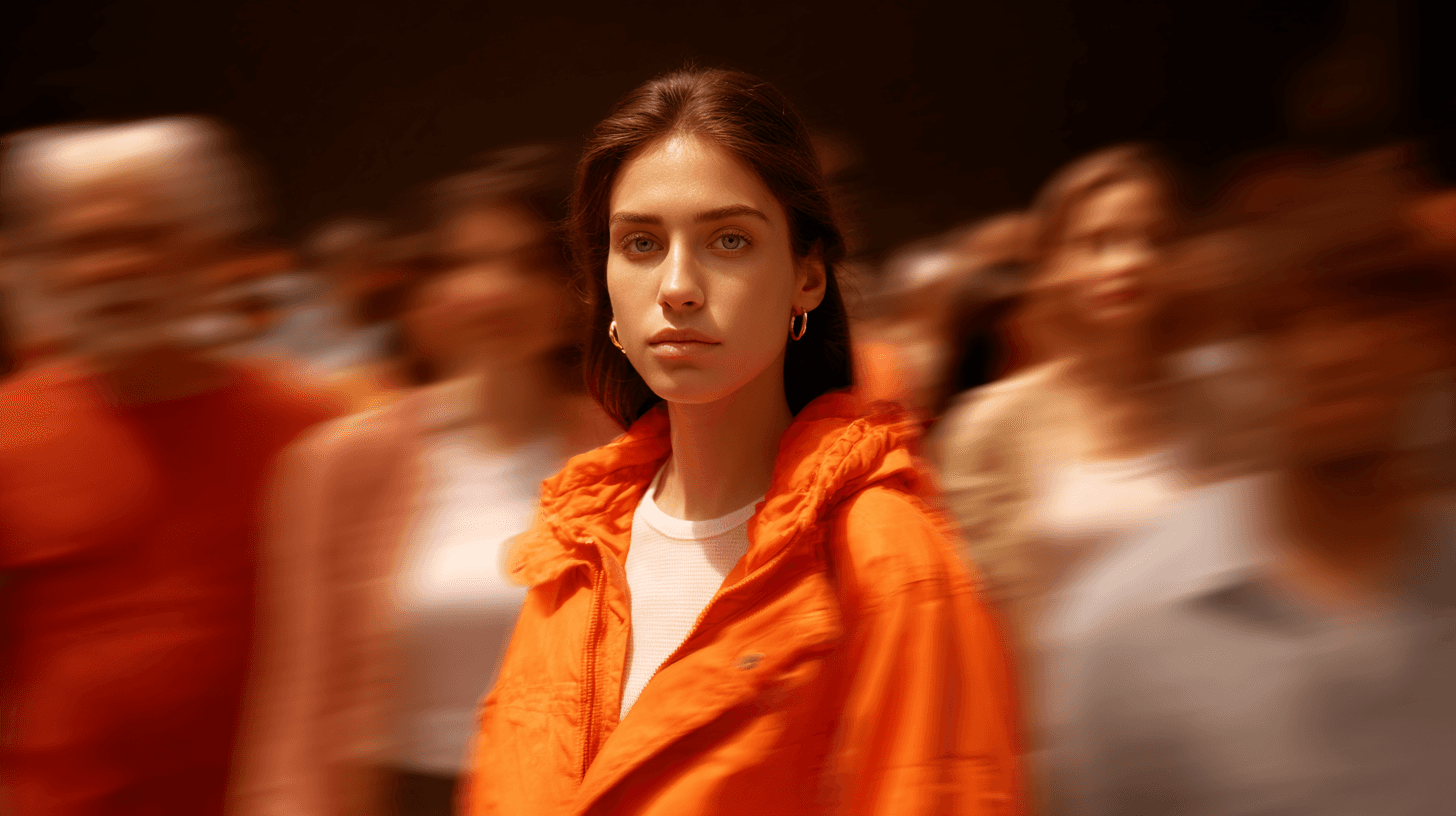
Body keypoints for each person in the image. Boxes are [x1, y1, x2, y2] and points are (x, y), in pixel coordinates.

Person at [462, 67, 1025, 816]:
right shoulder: (576, 546)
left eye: (728, 240)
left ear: (807, 277)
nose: (677, 285)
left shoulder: (888, 561)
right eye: (639, 243)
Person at [1047, 153, 1456, 816]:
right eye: (1288, 321)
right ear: (1248, 351)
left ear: (1430, 338)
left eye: (1370, 310)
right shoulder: (1126, 626)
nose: (1335, 353)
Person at [230, 146, 617, 816]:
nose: (493, 289)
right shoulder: (338, 465)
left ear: (574, 290)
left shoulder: (631, 458)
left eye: (529, 264)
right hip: (396, 794)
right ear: (426, 292)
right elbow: (298, 699)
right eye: (463, 264)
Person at [0, 118, 341, 816]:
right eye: (81, 244)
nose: (112, 268)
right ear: (42, 266)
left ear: (207, 251)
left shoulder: (315, 430)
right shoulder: (7, 432)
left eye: (145, 236)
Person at [928, 145, 1191, 805]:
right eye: (1099, 241)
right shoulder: (990, 429)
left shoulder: (1229, 413)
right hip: (1048, 764)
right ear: (1055, 263)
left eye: (1148, 240)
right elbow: (956, 630)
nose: (1126, 262)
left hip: (1198, 751)